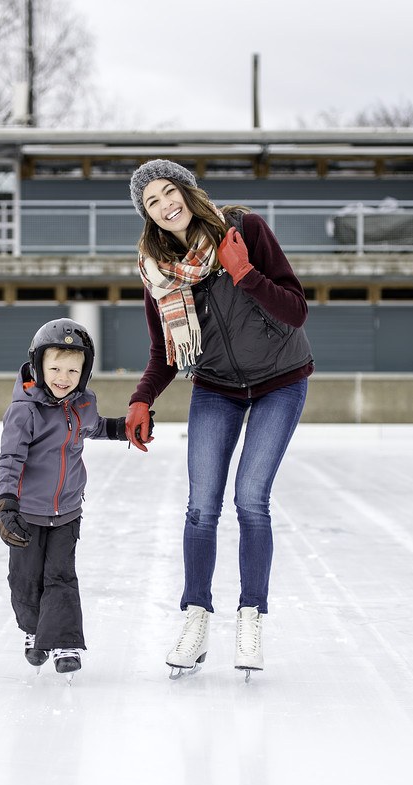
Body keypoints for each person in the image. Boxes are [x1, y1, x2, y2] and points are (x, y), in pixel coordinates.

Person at [124, 159, 313, 679]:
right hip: (216, 387)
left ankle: (250, 616)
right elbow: (164, 350)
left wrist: (245, 273)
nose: (166, 205)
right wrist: (143, 398)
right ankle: (196, 616)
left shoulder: (244, 229)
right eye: (152, 202)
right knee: (201, 506)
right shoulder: (158, 271)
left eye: (169, 191)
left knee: (251, 499)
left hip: (280, 378)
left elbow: (297, 310)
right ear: (149, 216)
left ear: (186, 189)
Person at [0, 318, 138, 679]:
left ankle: (65, 642)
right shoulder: (24, 411)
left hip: (67, 511)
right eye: (55, 368)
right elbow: (10, 459)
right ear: (38, 366)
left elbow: (95, 427)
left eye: (73, 369)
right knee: (26, 578)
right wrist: (7, 503)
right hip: (27, 511)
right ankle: (33, 630)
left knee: (61, 576)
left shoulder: (82, 404)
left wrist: (123, 428)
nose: (63, 377)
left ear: (84, 371)